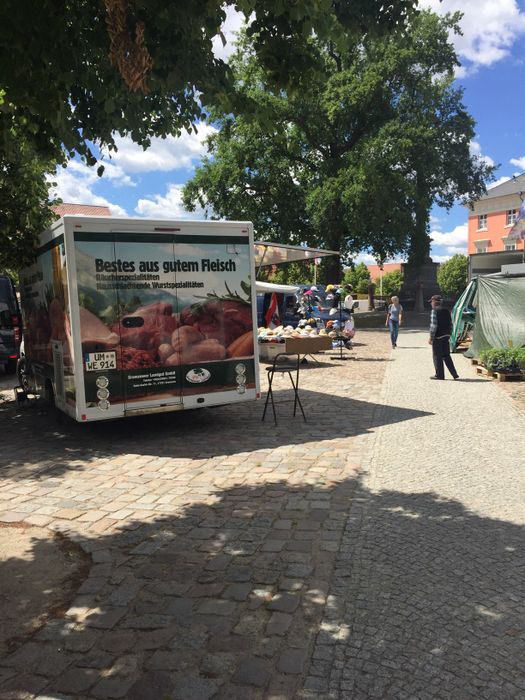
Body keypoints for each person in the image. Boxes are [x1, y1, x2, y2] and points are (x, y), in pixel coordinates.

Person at [428, 294, 459, 380]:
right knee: (446, 355)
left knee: (437, 356)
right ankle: (454, 373)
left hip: (438, 336)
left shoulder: (434, 311)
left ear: (434, 302)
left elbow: (433, 325)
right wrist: (450, 334)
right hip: (446, 335)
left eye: (431, 302)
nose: (431, 304)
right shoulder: (447, 310)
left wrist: (431, 337)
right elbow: (451, 324)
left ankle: (439, 375)